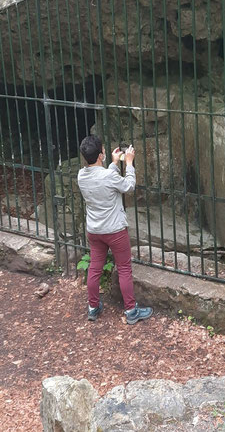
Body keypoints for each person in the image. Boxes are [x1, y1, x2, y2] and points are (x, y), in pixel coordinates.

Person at [77, 134, 153, 325]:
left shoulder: (81, 175)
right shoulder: (108, 176)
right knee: (125, 269)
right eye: (103, 150)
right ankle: (130, 311)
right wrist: (128, 163)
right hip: (115, 231)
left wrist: (112, 163)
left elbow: (103, 179)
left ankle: (93, 307)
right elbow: (128, 186)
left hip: (95, 230)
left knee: (94, 268)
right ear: (100, 154)